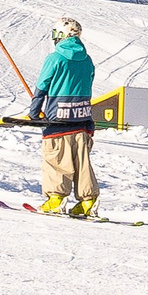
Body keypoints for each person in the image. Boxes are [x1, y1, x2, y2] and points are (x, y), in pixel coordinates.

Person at [29, 17, 97, 217]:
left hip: (58, 119)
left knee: (57, 159)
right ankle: (87, 201)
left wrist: (34, 111)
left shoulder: (55, 58)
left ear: (60, 35)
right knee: (82, 163)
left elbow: (42, 85)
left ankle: (56, 199)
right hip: (83, 119)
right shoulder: (87, 59)